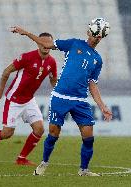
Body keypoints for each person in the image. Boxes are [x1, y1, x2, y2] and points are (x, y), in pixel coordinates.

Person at [11, 17, 113, 176]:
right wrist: (26, 33)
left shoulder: (97, 60)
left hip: (80, 101)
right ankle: (44, 163)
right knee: (53, 134)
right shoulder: (73, 44)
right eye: (94, 34)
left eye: (99, 36)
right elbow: (46, 44)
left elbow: (92, 84)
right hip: (60, 97)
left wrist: (102, 106)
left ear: (102, 37)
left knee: (88, 137)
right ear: (88, 32)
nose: (96, 38)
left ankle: (84, 170)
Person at [0, 32, 57, 166]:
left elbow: (53, 81)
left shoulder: (52, 62)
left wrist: (62, 87)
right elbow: (6, 71)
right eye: (42, 43)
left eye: (48, 44)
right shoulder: (27, 57)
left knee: (39, 129)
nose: (46, 46)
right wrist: (0, 90)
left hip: (29, 100)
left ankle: (21, 158)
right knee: (7, 133)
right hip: (14, 99)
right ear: (38, 43)